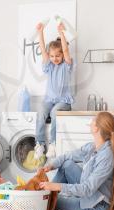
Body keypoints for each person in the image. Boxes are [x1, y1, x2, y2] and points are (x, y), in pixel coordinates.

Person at [39, 112, 114, 210]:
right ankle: (45, 194)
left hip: (97, 208)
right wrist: (51, 166)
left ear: (96, 128)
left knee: (46, 200)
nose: (90, 122)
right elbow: (67, 156)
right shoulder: (92, 147)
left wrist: (56, 186)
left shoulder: (106, 157)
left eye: (93, 120)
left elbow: (87, 189)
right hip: (89, 197)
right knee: (67, 165)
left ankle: (45, 197)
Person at [34, 22, 74, 159]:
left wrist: (61, 32)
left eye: (57, 56)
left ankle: (53, 143)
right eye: (52, 56)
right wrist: (40, 32)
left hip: (64, 101)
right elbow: (43, 51)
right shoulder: (49, 66)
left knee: (54, 112)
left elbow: (66, 51)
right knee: (41, 112)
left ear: (62, 55)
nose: (54, 59)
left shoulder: (66, 65)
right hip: (49, 100)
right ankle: (40, 144)